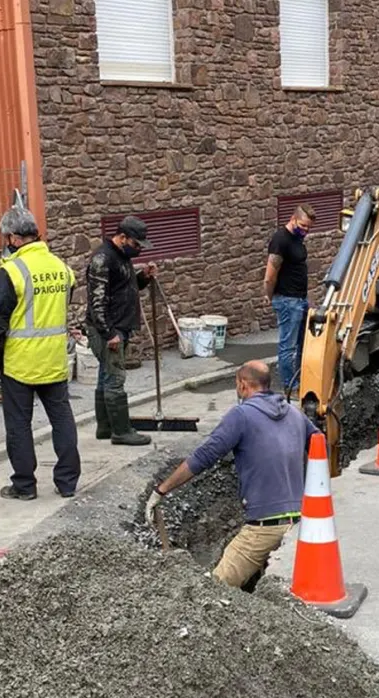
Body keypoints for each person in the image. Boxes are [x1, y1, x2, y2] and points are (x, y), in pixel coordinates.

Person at [144, 360, 318, 590]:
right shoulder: (296, 415)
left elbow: (205, 456)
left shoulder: (242, 415)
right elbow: (320, 444)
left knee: (214, 592)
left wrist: (161, 490)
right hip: (301, 523)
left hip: (263, 527)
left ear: (243, 384)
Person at [0, 206, 80, 501]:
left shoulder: (11, 271)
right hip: (54, 360)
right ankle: (67, 483)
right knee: (62, 420)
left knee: (18, 426)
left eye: (6, 237)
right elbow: (63, 304)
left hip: (20, 364)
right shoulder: (61, 268)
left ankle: (24, 486)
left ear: (13, 238)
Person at [86, 215, 158, 446]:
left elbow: (125, 287)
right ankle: (121, 431)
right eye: (136, 245)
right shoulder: (103, 259)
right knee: (115, 378)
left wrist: (143, 278)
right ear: (123, 237)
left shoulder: (120, 256)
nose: (139, 250)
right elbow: (97, 302)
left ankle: (105, 427)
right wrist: (109, 334)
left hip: (117, 325)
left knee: (106, 376)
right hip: (109, 328)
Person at [264, 204, 314, 399]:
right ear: (293, 219)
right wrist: (269, 295)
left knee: (303, 344)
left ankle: (300, 381)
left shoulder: (297, 239)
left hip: (299, 300)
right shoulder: (280, 240)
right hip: (287, 300)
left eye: (309, 227)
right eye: (303, 226)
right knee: (288, 346)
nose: (306, 230)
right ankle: (289, 386)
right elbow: (270, 275)